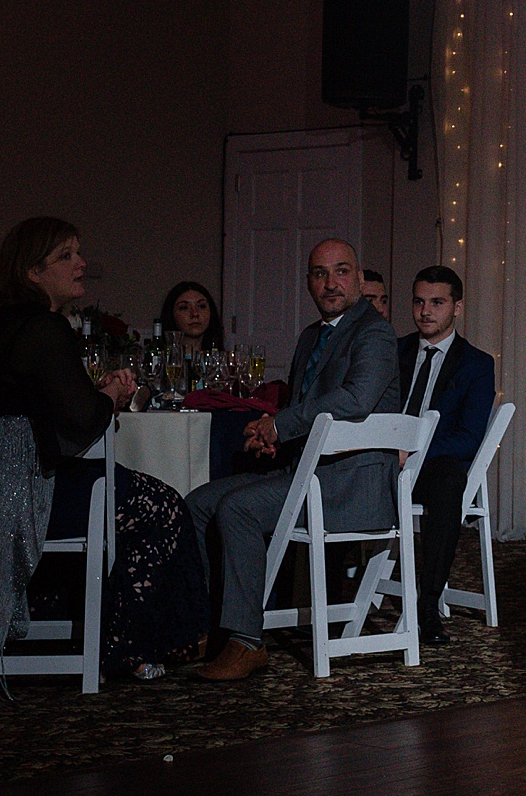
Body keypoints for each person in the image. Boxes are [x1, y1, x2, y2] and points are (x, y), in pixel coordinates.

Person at [0, 218, 207, 682]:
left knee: (139, 497)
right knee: (163, 505)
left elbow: (39, 404)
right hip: (35, 494)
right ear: (32, 271)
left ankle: (83, 626)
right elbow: (82, 422)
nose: (81, 263)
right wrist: (110, 396)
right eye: (66, 255)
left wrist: (96, 395)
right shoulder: (42, 327)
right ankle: (124, 645)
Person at [186, 238, 400, 682]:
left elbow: (356, 399)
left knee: (238, 509)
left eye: (342, 271)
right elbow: (309, 414)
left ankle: (246, 642)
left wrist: (280, 425)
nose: (331, 283)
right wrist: (275, 439)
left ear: (359, 279)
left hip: (349, 485)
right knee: (198, 503)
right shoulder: (311, 336)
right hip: (305, 472)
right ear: (308, 283)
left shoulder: (374, 332)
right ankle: (215, 628)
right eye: (320, 274)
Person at [396, 266, 496, 646]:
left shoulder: (475, 363)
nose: (426, 311)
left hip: (433, 464)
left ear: (457, 307)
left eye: (437, 303)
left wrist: (414, 453)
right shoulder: (396, 350)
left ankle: (428, 606)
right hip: (385, 456)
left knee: (448, 483)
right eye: (419, 302)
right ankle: (331, 596)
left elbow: (468, 438)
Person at [157, 280, 224, 357]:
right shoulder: (159, 359)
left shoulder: (226, 361)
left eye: (201, 306)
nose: (195, 313)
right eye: (184, 308)